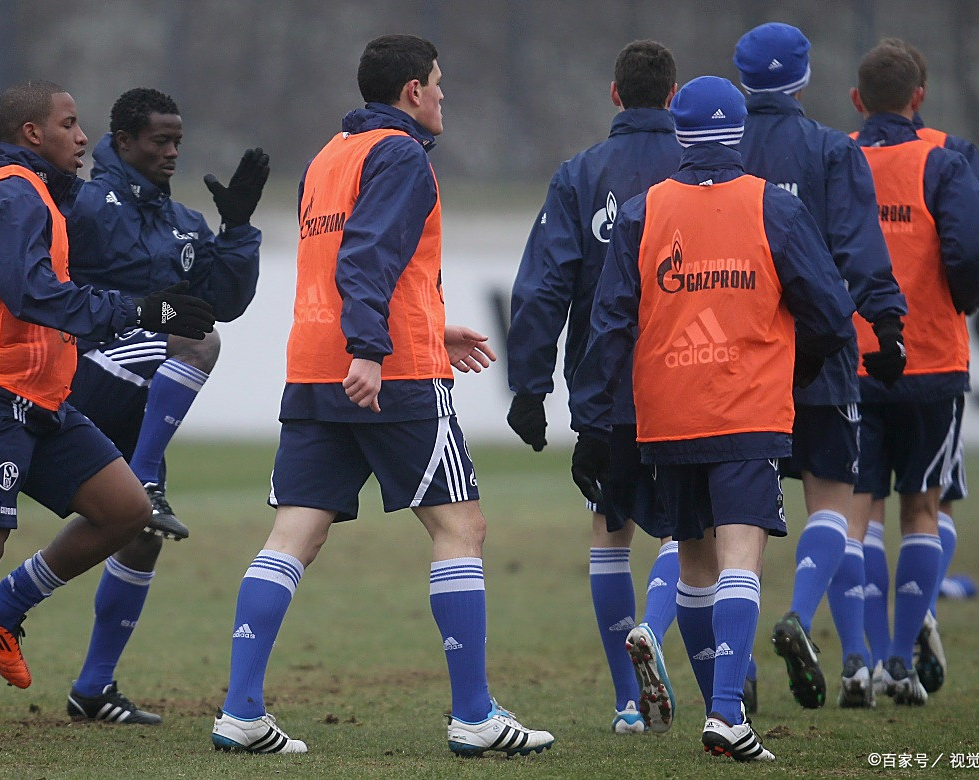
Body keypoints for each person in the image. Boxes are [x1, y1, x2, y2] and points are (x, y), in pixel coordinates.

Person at [208, 34, 554, 757]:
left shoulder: (329, 155)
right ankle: (474, 717)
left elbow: (349, 259)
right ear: (412, 93)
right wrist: (375, 345)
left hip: (313, 366)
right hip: (386, 373)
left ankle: (239, 711)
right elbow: (368, 254)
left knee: (293, 535)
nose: (442, 96)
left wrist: (428, 323)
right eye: (439, 84)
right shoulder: (399, 155)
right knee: (461, 530)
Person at [0, 80, 215, 744]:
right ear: (32, 134)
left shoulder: (36, 200)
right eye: (70, 124)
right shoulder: (9, 197)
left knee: (127, 510)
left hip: (36, 401)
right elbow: (36, 296)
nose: (82, 137)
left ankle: (3, 609)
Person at [572, 75, 856, 761]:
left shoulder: (643, 211)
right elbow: (831, 312)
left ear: (680, 131)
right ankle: (728, 713)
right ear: (740, 135)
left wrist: (597, 423)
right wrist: (797, 368)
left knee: (693, 562)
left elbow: (609, 324)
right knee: (740, 558)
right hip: (747, 406)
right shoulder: (772, 208)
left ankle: (717, 707)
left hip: (667, 417)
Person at [57, 87, 268, 724]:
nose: (174, 151)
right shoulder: (85, 205)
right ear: (123, 142)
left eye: (178, 140)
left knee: (142, 538)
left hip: (139, 394)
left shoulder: (184, 223)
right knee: (194, 341)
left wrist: (235, 230)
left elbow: (221, 303)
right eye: (160, 140)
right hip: (82, 379)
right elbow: (36, 283)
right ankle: (144, 476)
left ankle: (93, 688)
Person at [506, 39, 682, 735]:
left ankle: (627, 706)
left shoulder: (580, 175)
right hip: (694, 382)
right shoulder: (705, 170)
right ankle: (680, 649)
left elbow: (545, 286)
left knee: (611, 534)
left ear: (615, 95)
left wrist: (529, 387)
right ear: (673, 98)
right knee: (692, 530)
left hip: (608, 388)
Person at [731, 22, 908, 711]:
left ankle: (736, 659)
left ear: (743, 78)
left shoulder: (722, 144)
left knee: (739, 513)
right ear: (803, 79)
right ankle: (800, 619)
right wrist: (887, 325)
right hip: (823, 353)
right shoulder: (834, 150)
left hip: (741, 358)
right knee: (833, 498)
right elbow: (861, 250)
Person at [847, 42, 979, 706]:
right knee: (923, 508)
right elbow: (973, 246)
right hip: (932, 360)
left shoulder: (839, 156)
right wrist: (962, 298)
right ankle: (900, 663)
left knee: (854, 515)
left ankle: (858, 662)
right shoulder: (946, 159)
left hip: (849, 363)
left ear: (856, 102)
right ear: (920, 96)